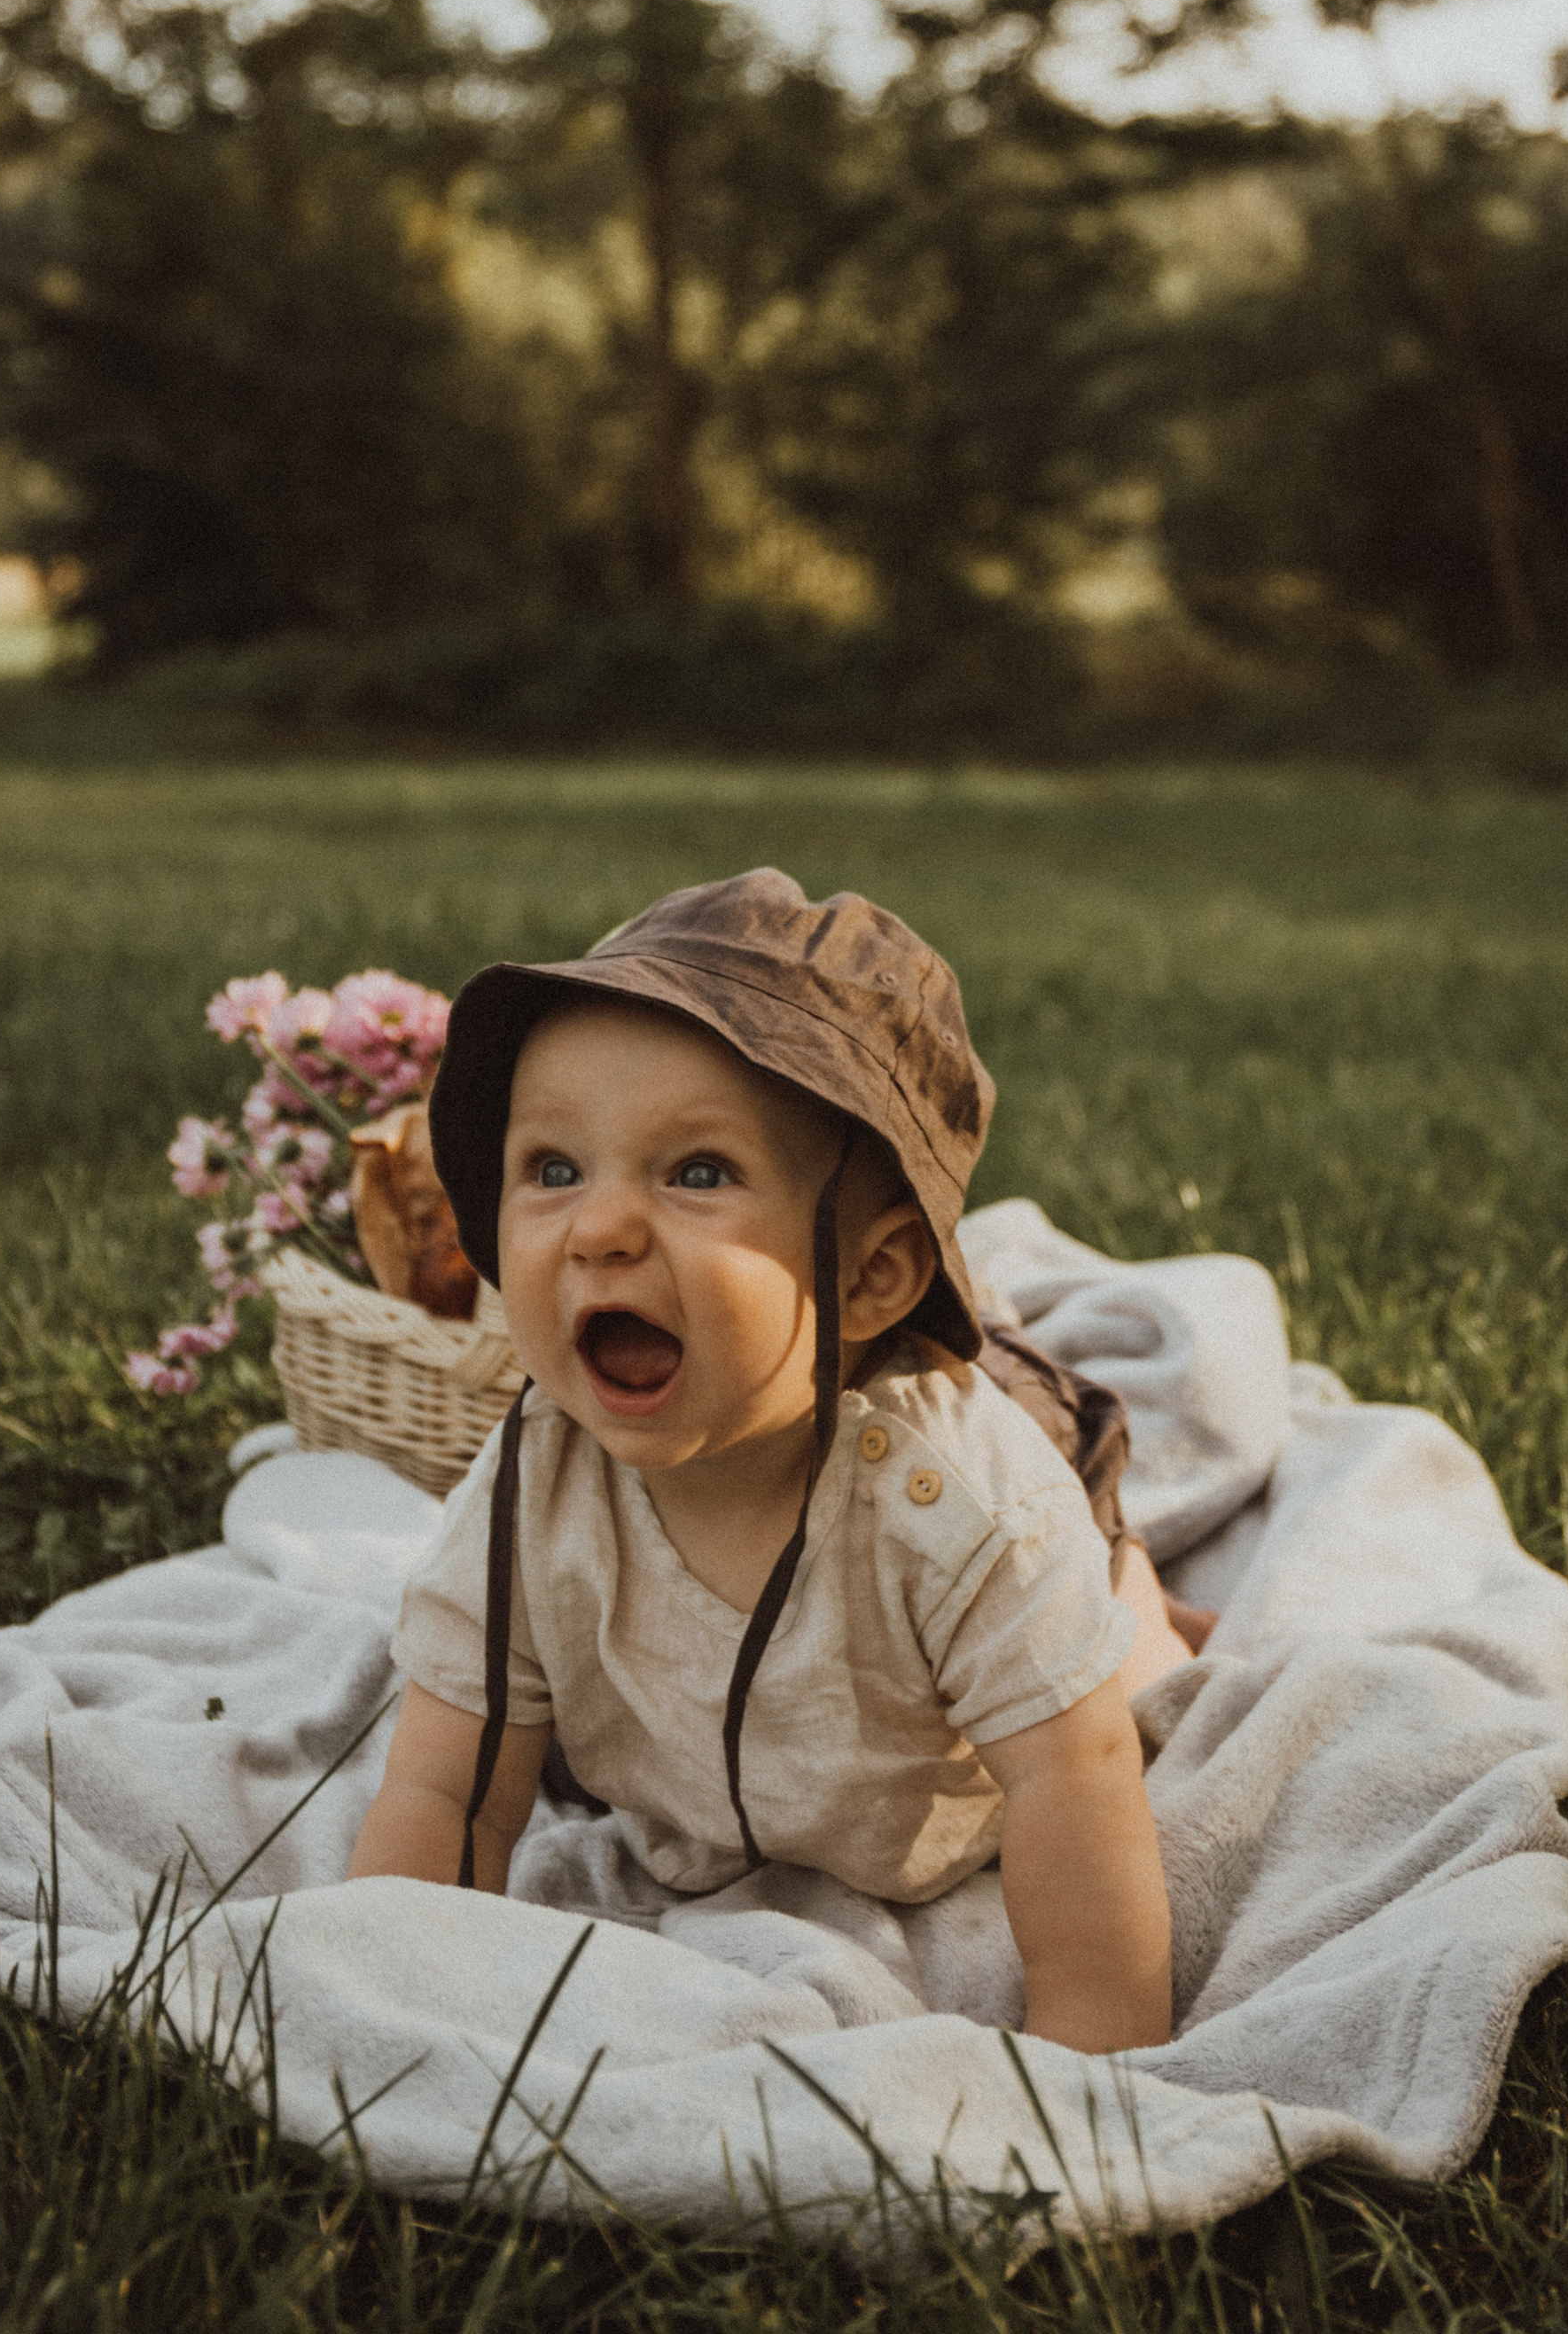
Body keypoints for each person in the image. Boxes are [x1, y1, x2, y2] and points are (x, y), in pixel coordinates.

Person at [346, 868, 1189, 2052]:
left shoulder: (967, 1508)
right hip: (740, 1736)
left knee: (1122, 1660)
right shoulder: (537, 1482)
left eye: (697, 1173)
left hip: (973, 1480)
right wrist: (374, 2001)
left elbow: (1078, 1784)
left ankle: (1137, 1574)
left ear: (873, 1277)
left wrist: (1093, 2065)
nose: (598, 1229)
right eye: (554, 1169)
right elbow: (449, 1789)